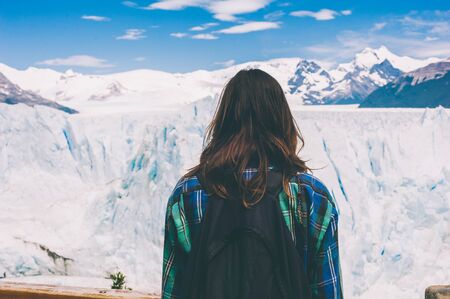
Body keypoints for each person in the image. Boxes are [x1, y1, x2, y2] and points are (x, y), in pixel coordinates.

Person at [162, 69, 343, 299]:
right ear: (282, 120)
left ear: (224, 122)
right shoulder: (311, 197)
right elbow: (329, 291)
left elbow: (173, 292)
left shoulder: (187, 196)